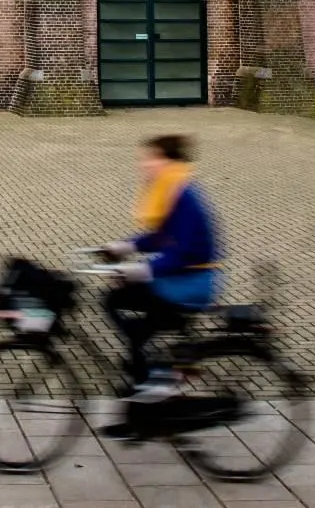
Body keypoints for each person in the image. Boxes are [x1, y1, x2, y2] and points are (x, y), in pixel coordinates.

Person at [98, 134, 222, 421]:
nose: (145, 165)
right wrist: (126, 247)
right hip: (179, 278)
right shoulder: (173, 189)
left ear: (168, 161)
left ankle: (151, 383)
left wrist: (143, 270)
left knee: (122, 307)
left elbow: (186, 251)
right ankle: (147, 379)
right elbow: (161, 237)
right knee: (121, 306)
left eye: (151, 158)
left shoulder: (185, 195)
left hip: (192, 283)